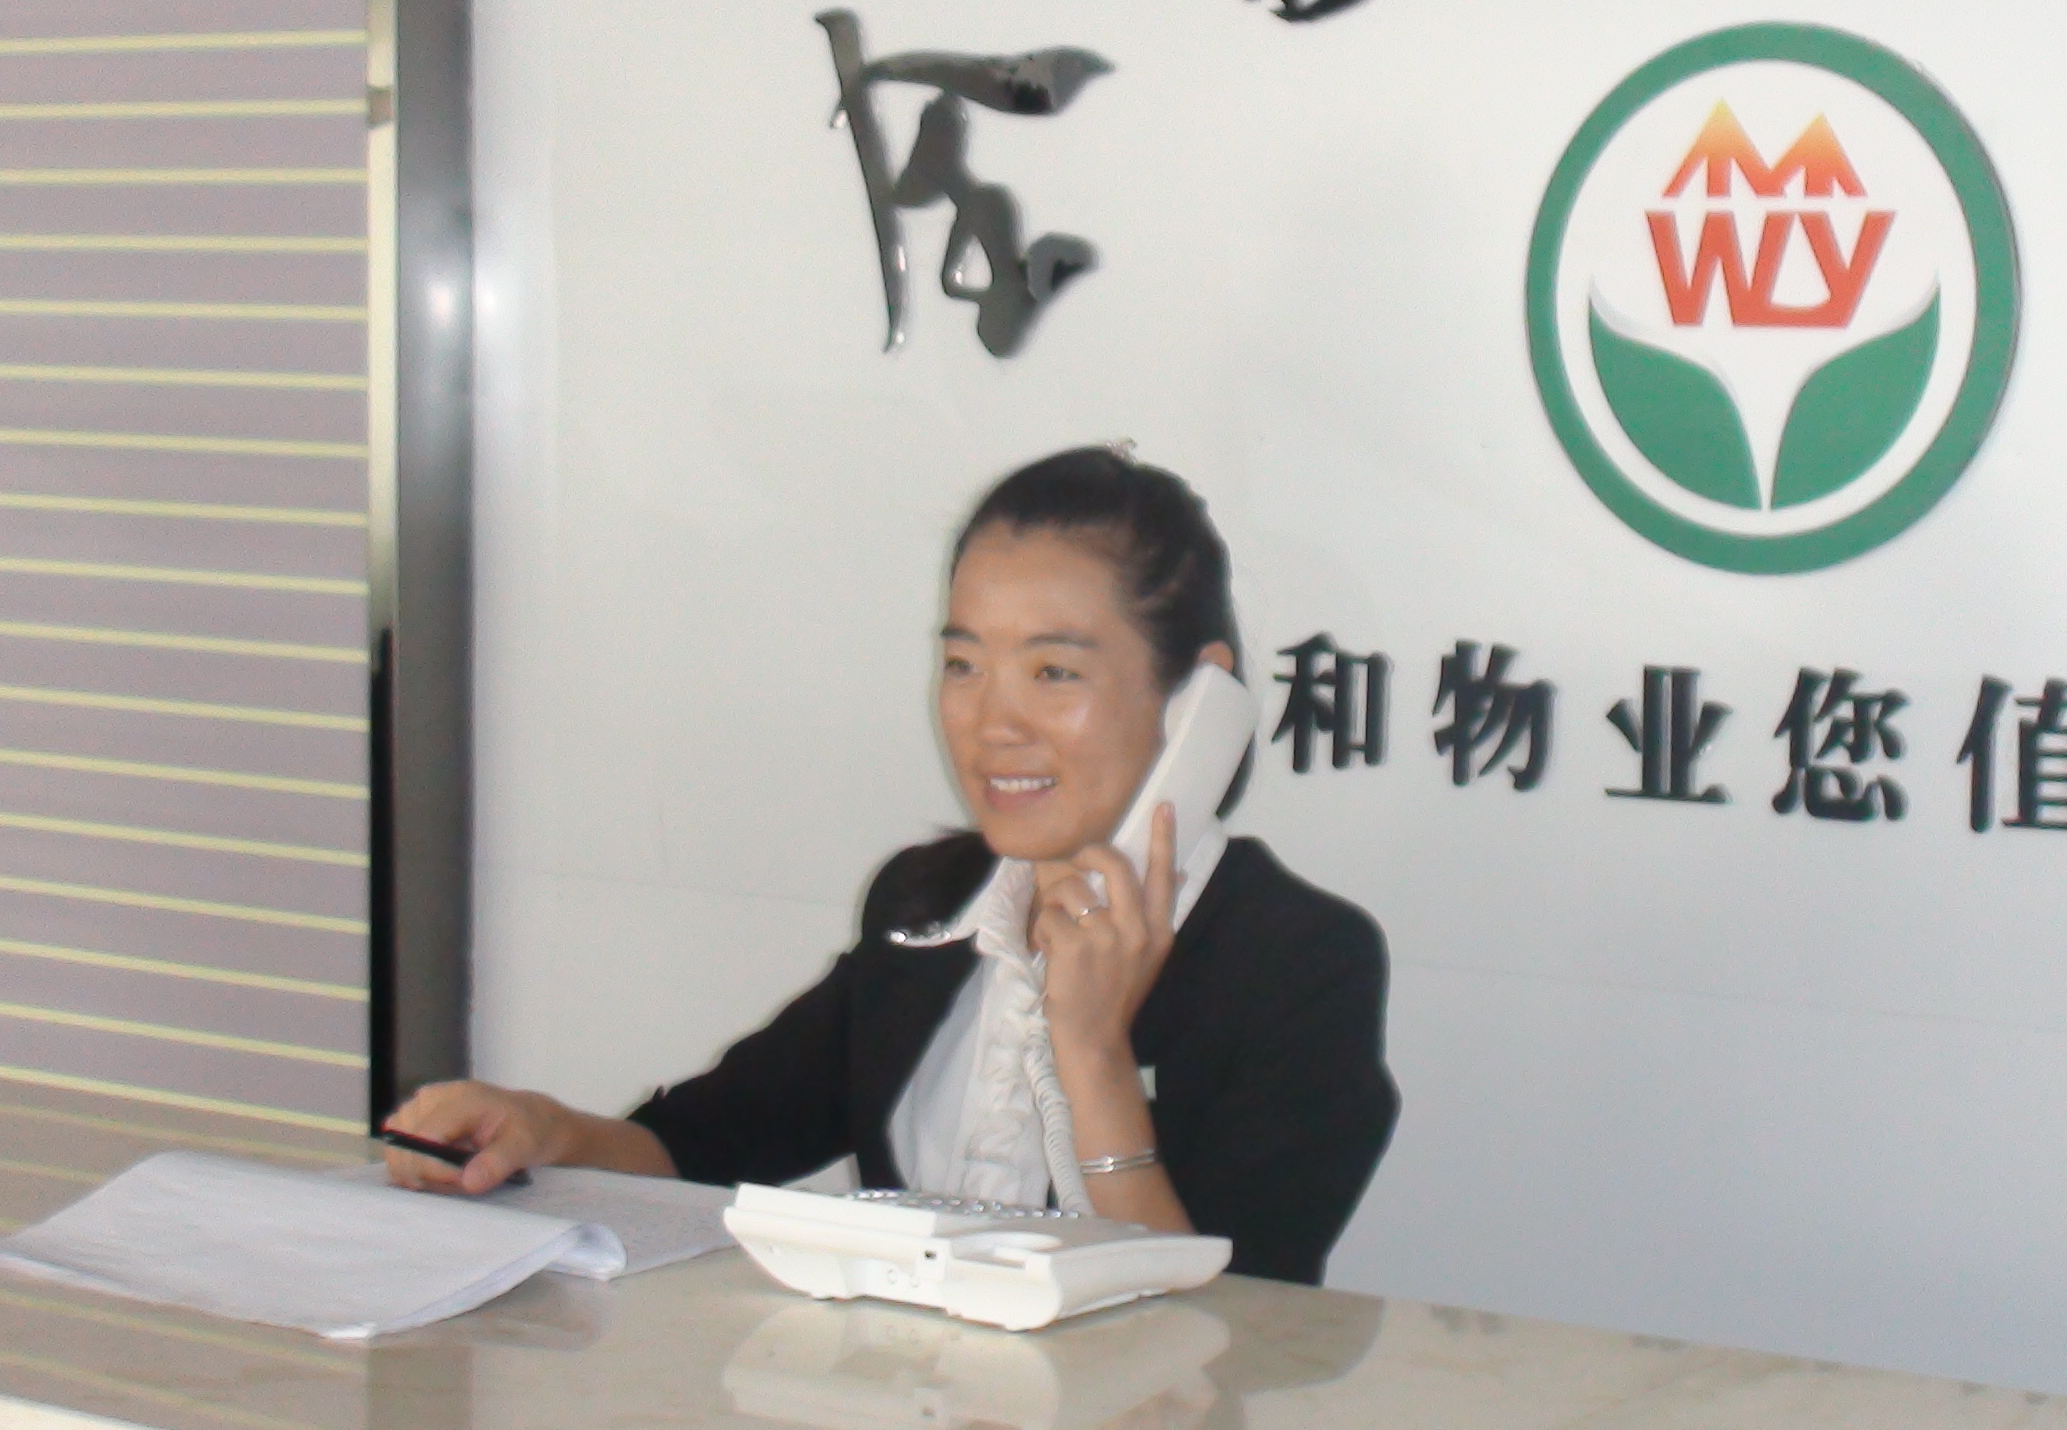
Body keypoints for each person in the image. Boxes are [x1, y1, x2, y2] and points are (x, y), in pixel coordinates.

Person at [384, 446, 1398, 1285]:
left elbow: (1231, 1334)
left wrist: (1091, 1055)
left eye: (1053, 671)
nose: (992, 722)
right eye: (963, 665)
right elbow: (703, 1146)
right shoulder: (927, 906)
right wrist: (541, 1132)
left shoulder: (1297, 962)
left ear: (1198, 702)